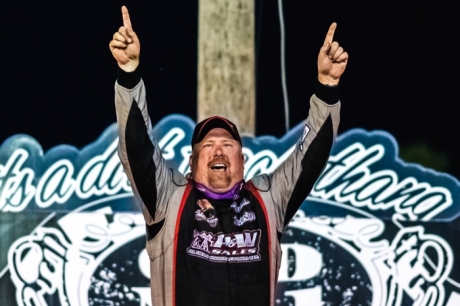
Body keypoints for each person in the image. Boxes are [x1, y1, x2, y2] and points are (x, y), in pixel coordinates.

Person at [110, 5, 347, 306]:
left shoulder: (268, 200)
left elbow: (311, 159)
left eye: (228, 145)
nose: (218, 150)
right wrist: (129, 75)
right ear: (192, 163)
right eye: (207, 147)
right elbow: (137, 149)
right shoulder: (167, 200)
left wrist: (327, 88)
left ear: (243, 161)